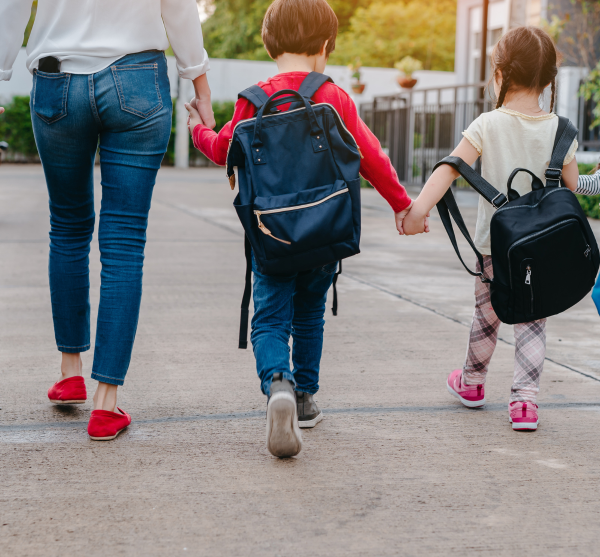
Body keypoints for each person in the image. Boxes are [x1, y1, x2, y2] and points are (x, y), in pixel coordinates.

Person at [186, 0, 423, 457]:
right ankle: (306, 399)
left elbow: (221, 150)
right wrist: (403, 206)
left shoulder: (252, 100)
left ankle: (278, 382)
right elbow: (371, 156)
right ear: (325, 45)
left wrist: (199, 127)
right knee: (310, 313)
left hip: (271, 235)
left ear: (269, 42)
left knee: (271, 318)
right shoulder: (333, 96)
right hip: (325, 232)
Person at [0, 0, 216, 440]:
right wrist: (200, 85)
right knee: (123, 241)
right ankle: (106, 403)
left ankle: (70, 372)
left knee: (68, 227)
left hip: (57, 80)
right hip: (137, 80)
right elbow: (177, 7)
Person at [402, 26, 579, 431]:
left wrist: (418, 210)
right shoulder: (562, 130)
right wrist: (594, 180)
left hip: (494, 248)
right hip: (544, 249)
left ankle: (473, 383)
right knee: (533, 319)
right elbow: (572, 185)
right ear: (550, 79)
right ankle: (525, 405)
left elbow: (450, 167)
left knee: (487, 317)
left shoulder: (487, 123)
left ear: (499, 74)